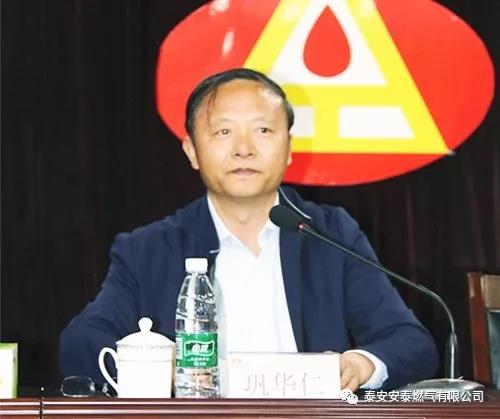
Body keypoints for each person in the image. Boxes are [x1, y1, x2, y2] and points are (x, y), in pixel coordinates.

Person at [59, 68, 438, 392]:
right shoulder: (149, 248)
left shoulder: (330, 234)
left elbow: (411, 343)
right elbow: (80, 344)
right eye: (223, 132)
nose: (244, 149)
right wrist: (151, 367)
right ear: (191, 151)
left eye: (263, 130)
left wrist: (360, 364)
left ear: (289, 148)